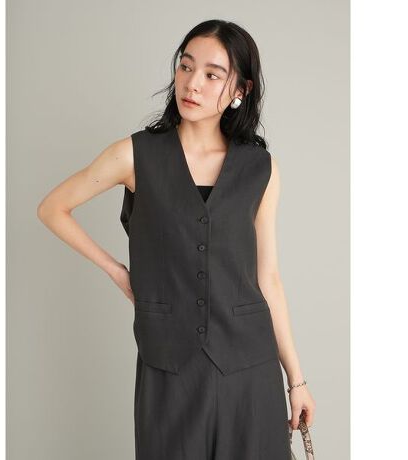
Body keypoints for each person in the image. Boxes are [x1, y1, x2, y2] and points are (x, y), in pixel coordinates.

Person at [38, 19, 316, 460]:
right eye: (186, 67)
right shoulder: (135, 155)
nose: (192, 83)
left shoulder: (260, 168)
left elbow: (268, 278)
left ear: (240, 89)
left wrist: (296, 380)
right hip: (169, 363)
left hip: (249, 368)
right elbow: (52, 208)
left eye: (212, 74)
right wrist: (116, 271)